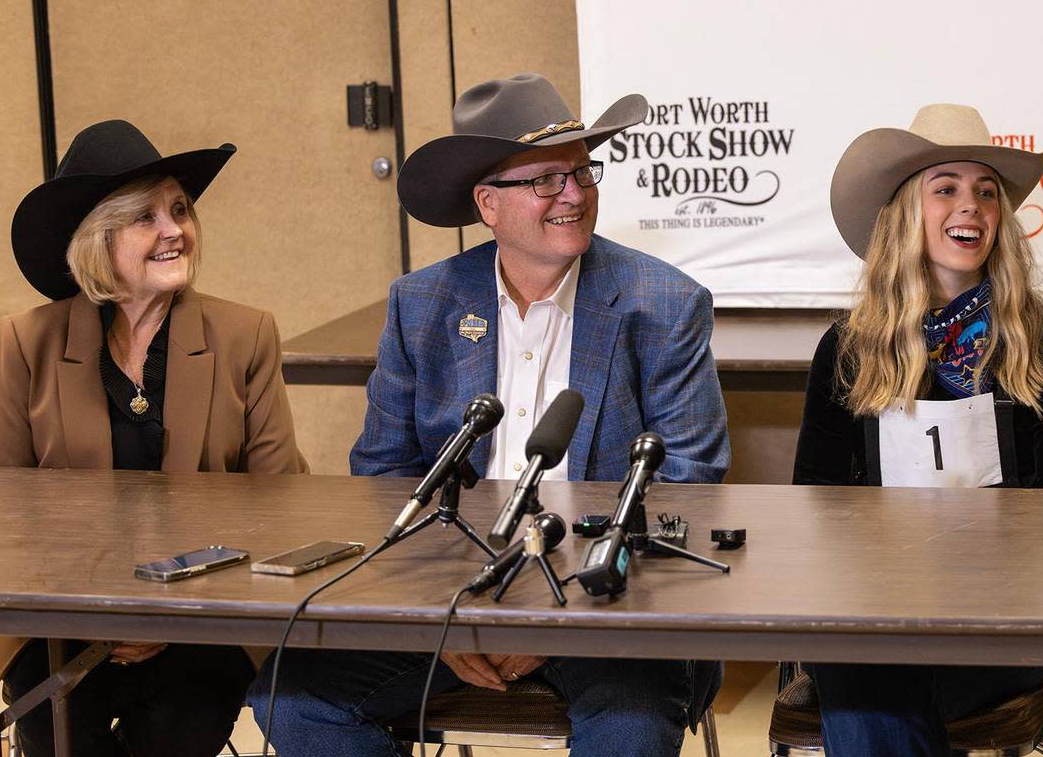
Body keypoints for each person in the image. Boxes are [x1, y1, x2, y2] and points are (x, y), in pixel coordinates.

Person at [249, 73, 730, 756]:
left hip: (609, 606)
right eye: (546, 181)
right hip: (453, 596)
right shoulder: (422, 305)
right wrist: (446, 622)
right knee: (291, 699)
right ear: (488, 204)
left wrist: (555, 620)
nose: (574, 195)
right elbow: (385, 477)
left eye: (583, 172)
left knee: (629, 724)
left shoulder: (663, 303)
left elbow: (690, 484)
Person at [0, 120, 308, 757]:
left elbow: (278, 504)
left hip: (203, 615)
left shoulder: (245, 334)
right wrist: (100, 616)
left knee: (180, 726)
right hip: (63, 619)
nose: (173, 230)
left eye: (180, 210)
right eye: (145, 218)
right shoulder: (27, 341)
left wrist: (165, 615)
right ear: (98, 240)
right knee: (55, 730)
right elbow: (0, 509)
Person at [793, 104, 1043, 755]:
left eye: (987, 192)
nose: (972, 206)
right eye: (947, 189)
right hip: (874, 619)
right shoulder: (848, 350)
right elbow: (814, 506)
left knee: (877, 705)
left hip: (1001, 623)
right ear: (907, 212)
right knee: (864, 680)